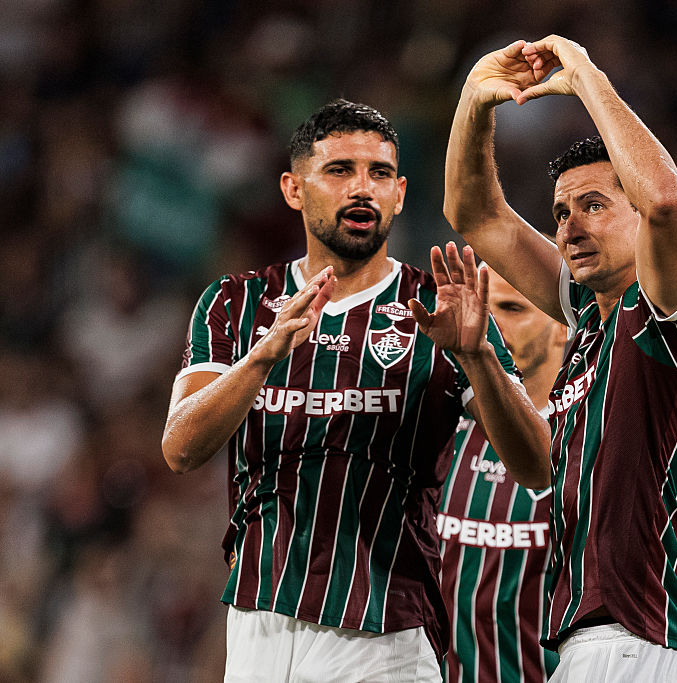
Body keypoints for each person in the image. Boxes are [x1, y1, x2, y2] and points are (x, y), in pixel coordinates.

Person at [161, 99, 550, 682]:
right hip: (258, 624)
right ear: (294, 189)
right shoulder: (235, 304)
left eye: (380, 173)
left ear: (398, 193)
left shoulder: (438, 305)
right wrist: (262, 358)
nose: (362, 188)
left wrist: (477, 356)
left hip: (386, 631)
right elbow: (181, 449)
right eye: (340, 170)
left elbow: (539, 464)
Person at [444, 37, 677, 681]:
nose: (570, 226)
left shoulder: (669, 317)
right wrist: (477, 95)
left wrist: (586, 77)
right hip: (599, 644)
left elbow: (664, 202)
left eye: (595, 206)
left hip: (643, 641)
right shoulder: (588, 326)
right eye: (560, 213)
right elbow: (474, 213)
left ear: (635, 219)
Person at [438, 270, 565, 682]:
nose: (488, 325)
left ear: (568, 328)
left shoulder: (587, 445)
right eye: (484, 309)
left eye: (512, 309)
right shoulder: (435, 433)